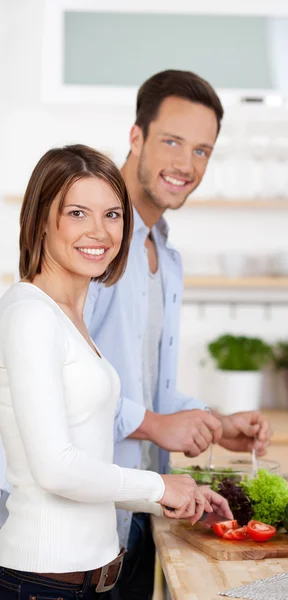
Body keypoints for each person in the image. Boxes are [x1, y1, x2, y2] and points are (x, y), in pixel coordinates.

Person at [0, 144, 231, 600]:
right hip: (44, 585)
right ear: (42, 220)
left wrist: (174, 495)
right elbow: (55, 470)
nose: (99, 232)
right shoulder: (29, 314)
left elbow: (89, 465)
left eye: (112, 215)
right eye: (78, 213)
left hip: (91, 580)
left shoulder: (68, 316)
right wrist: (158, 484)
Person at [85, 70, 273, 600]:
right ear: (136, 137)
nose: (187, 165)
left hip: (143, 509)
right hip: (78, 526)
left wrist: (214, 423)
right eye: (172, 141)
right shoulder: (92, 238)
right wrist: (154, 424)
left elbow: (147, 386)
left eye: (202, 151)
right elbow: (55, 382)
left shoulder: (164, 254)